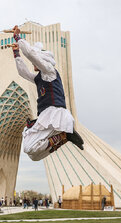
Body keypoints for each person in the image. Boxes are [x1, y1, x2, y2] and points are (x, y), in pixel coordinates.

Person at [10, 26, 83, 161]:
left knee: (28, 148)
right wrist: (16, 53)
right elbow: (23, 72)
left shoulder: (49, 72)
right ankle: (63, 137)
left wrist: (18, 39)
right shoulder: (39, 78)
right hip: (46, 116)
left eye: (36, 61)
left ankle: (64, 135)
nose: (34, 63)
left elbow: (31, 54)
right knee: (33, 156)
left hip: (55, 115)